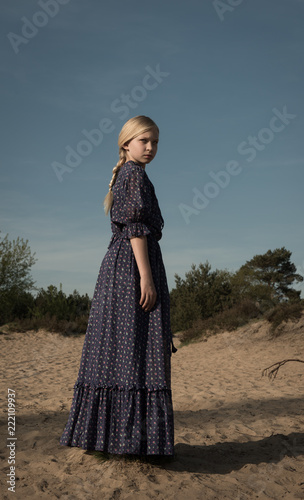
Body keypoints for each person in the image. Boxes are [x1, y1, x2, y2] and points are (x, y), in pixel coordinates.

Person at [59, 115, 176, 456]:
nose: (151, 148)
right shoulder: (133, 174)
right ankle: (133, 441)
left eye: (155, 141)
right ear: (126, 143)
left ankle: (114, 438)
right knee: (137, 349)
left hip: (120, 269)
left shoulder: (131, 174)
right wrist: (146, 276)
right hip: (131, 268)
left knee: (119, 349)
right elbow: (136, 228)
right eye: (144, 141)